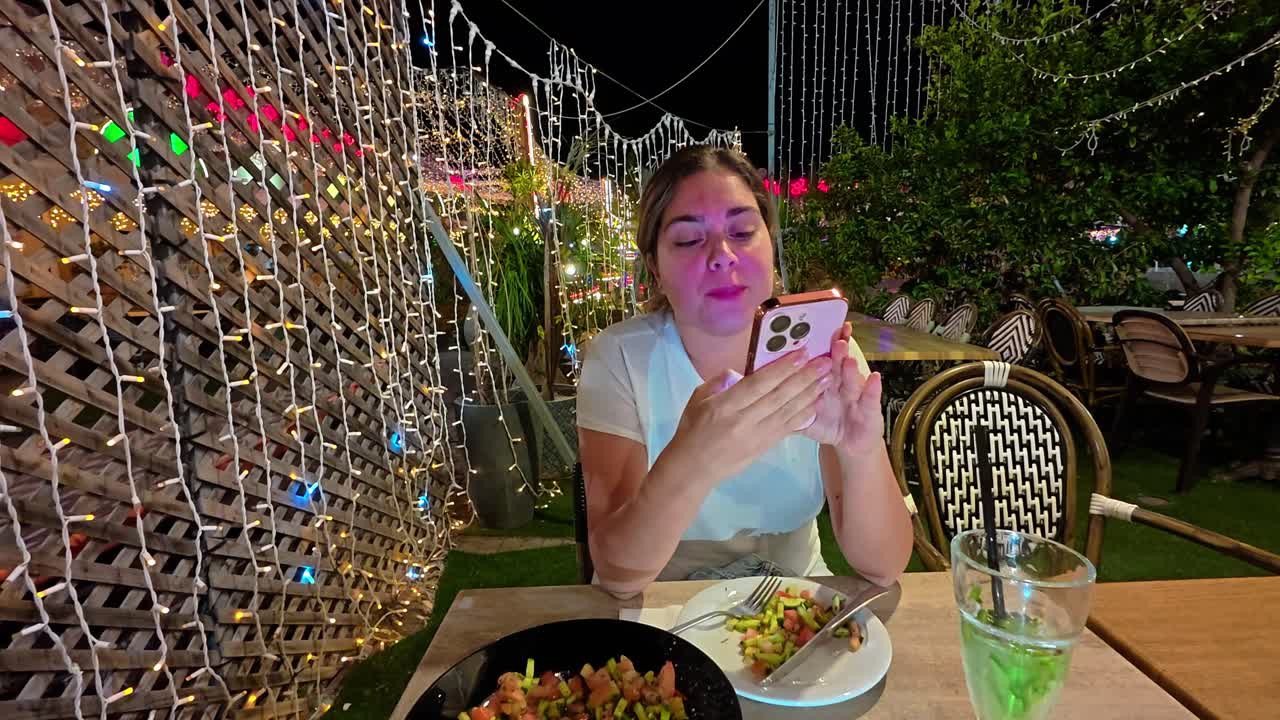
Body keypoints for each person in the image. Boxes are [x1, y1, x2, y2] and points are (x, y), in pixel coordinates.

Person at [575, 145, 913, 599]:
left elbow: (884, 566)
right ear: (655, 265)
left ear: (770, 244)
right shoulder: (619, 358)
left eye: (742, 230)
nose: (722, 255)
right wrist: (692, 461)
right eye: (689, 239)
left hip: (792, 605)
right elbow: (618, 575)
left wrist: (861, 452)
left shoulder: (827, 355)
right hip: (659, 606)